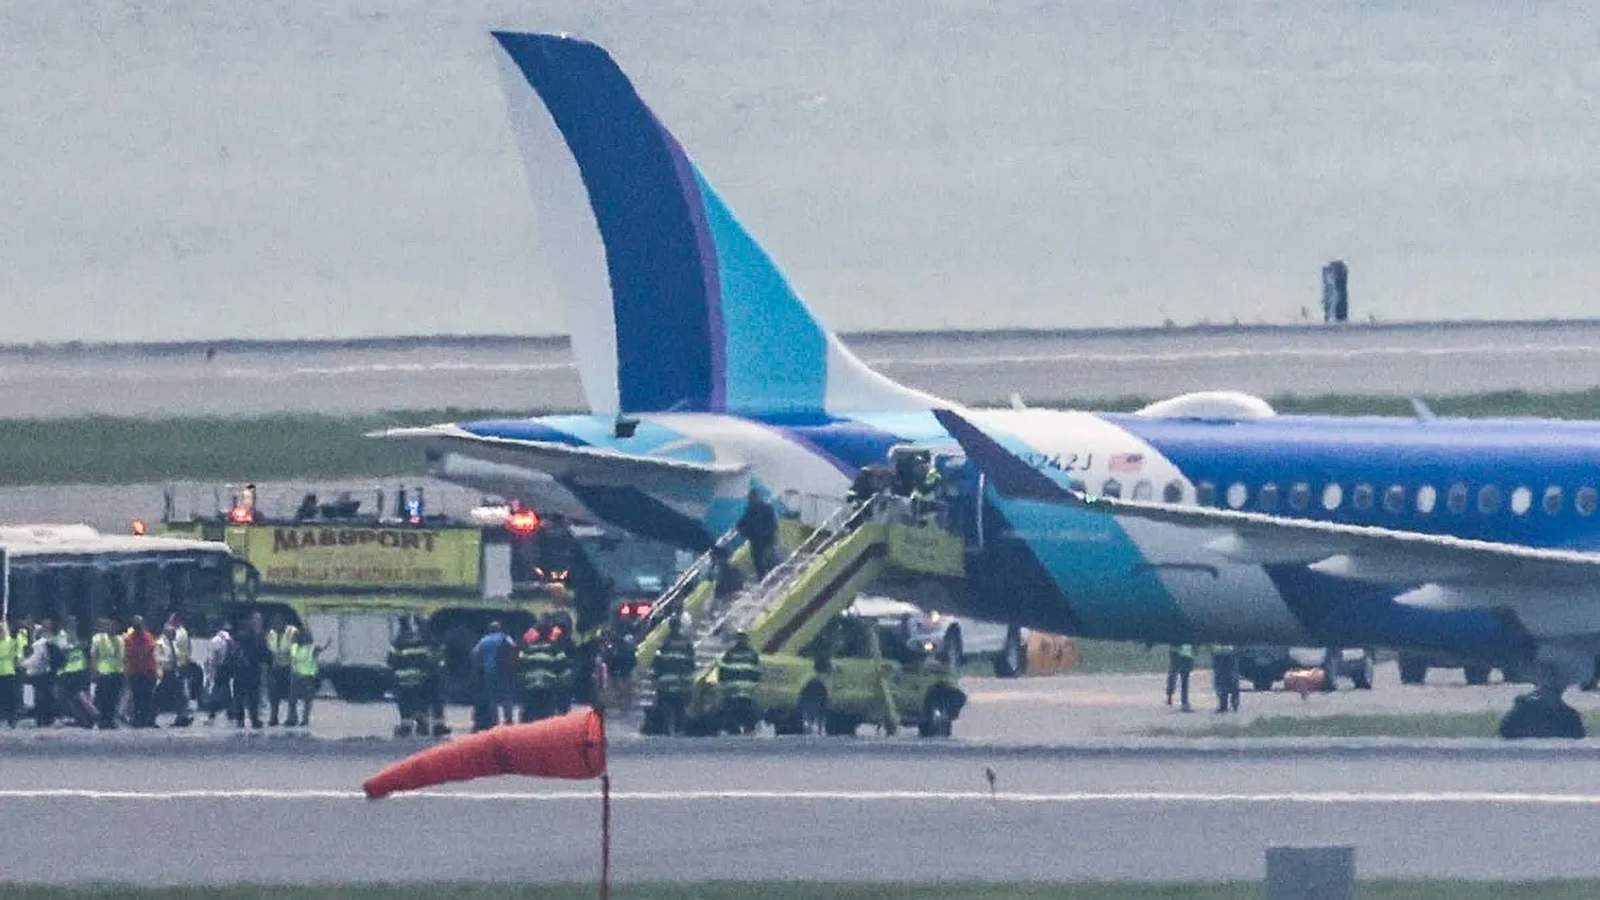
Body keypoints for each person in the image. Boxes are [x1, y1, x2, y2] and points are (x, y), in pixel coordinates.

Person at [650, 615, 696, 736]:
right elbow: (692, 664)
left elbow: (657, 662)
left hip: (666, 682)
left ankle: (666, 729)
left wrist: (655, 677)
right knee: (679, 708)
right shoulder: (686, 642)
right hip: (681, 683)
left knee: (666, 707)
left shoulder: (664, 643)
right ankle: (678, 729)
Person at [388, 617, 433, 737]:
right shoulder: (420, 640)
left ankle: (406, 729)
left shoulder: (398, 641)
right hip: (418, 678)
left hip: (403, 679)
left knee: (405, 704)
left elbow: (391, 660)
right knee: (419, 702)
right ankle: (423, 726)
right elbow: (426, 659)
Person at [516, 619, 562, 723]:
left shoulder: (528, 649)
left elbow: (520, 664)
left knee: (528, 717)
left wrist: (521, 680)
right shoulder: (554, 649)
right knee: (547, 718)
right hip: (547, 687)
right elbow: (562, 665)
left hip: (530, 687)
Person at [716, 630, 761, 733]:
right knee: (743, 713)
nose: (741, 640)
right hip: (741, 692)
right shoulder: (751, 654)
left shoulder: (730, 653)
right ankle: (744, 729)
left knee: (737, 713)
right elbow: (757, 673)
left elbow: (722, 673)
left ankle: (741, 729)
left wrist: (723, 686)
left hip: (737, 692)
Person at [230, 612, 270, 729]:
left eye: (260, 621)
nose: (258, 623)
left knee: (253, 697)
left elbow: (263, 653)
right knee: (240, 696)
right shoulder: (245, 635)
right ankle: (241, 719)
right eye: (256, 620)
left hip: (253, 670)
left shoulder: (260, 636)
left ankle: (253, 719)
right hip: (242, 670)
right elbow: (238, 649)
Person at [56, 617, 94, 728]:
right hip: (70, 669)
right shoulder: (63, 635)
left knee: (77, 695)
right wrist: (77, 646)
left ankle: (92, 714)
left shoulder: (77, 634)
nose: (74, 625)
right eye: (72, 623)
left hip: (78, 669)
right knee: (73, 697)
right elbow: (63, 649)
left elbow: (85, 648)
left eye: (75, 622)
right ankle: (87, 718)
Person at [123, 616, 160, 728]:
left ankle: (147, 720)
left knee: (148, 697)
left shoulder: (148, 637)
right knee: (137, 698)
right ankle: (138, 720)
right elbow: (128, 654)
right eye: (136, 625)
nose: (138, 627)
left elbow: (151, 650)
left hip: (148, 671)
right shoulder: (129, 639)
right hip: (135, 672)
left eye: (139, 625)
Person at [736, 488, 779, 579]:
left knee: (762, 562)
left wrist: (748, 534)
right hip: (762, 539)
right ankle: (769, 578)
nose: (750, 499)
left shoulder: (753, 509)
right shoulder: (761, 508)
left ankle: (765, 579)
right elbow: (773, 524)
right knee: (765, 561)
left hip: (760, 540)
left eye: (751, 498)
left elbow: (740, 525)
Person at [90, 619, 125, 730]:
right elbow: (94, 655)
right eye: (108, 626)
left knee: (113, 697)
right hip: (103, 671)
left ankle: (110, 720)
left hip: (117, 671)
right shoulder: (98, 639)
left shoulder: (120, 639)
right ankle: (101, 720)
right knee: (102, 698)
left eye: (113, 626)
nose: (111, 629)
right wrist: (94, 670)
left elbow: (122, 656)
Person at [265, 615, 299, 726]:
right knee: (273, 694)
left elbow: (294, 649)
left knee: (291, 695)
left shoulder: (292, 632)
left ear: (283, 623)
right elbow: (269, 649)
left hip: (289, 667)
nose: (275, 626)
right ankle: (273, 717)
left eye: (278, 623)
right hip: (275, 668)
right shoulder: (271, 634)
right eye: (274, 623)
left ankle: (292, 718)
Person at [287, 628, 325, 728]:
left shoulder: (312, 648)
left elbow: (321, 649)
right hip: (296, 676)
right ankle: (293, 718)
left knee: (307, 700)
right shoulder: (295, 647)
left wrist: (327, 644)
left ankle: (304, 720)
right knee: (292, 700)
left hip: (308, 677)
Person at [203, 625, 234, 725]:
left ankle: (212, 714)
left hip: (219, 667)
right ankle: (230, 712)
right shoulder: (228, 638)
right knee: (227, 690)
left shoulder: (215, 640)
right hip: (227, 666)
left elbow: (214, 656)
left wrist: (211, 670)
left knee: (215, 690)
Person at [0, 621, 21, 728]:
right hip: (1, 673)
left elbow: (20, 648)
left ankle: (12, 718)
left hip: (9, 672)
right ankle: (4, 717)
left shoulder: (12, 642)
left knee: (11, 697)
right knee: (2, 697)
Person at [1211, 645, 1241, 714]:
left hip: (1218, 651)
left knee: (1221, 681)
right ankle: (1234, 702)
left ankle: (1224, 705)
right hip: (1230, 651)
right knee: (1232, 678)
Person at [1165, 643, 1195, 712]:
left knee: (1175, 673)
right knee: (1182, 677)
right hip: (1183, 651)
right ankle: (1183, 701)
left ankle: (1171, 695)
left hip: (1181, 651)